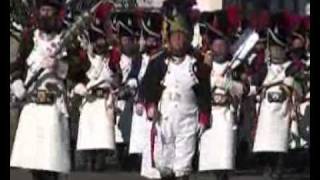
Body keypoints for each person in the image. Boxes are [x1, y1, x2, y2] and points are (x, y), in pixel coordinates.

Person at [140, 3, 211, 180]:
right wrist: (150, 105)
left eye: (182, 36)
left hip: (188, 118)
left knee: (183, 165)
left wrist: (203, 116)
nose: (179, 40)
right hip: (165, 118)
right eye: (175, 36)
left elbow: (204, 92)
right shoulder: (158, 62)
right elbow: (148, 86)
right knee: (165, 163)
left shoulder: (196, 63)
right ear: (168, 38)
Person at [10, 0, 80, 179]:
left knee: (51, 160)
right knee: (34, 162)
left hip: (54, 108)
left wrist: (59, 66)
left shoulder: (66, 39)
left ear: (56, 13)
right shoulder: (29, 38)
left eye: (49, 10)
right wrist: (17, 81)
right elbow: (17, 65)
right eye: (43, 10)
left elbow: (81, 68)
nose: (46, 14)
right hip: (33, 107)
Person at [251, 12, 304, 180]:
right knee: (266, 142)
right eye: (272, 48)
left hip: (283, 112)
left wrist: (293, 84)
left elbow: (302, 87)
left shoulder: (292, 67)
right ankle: (267, 167)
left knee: (280, 142)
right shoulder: (264, 68)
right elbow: (253, 86)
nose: (274, 51)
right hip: (266, 111)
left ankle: (280, 167)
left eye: (278, 48)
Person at [198, 11, 249, 180]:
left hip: (227, 113)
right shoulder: (203, 63)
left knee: (225, 155)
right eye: (216, 45)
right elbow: (197, 85)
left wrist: (228, 84)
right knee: (210, 155)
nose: (219, 48)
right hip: (210, 113)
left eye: (222, 44)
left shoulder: (236, 66)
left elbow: (245, 89)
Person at [73, 2, 122, 172]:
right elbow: (76, 76)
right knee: (88, 131)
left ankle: (100, 160)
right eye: (97, 40)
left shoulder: (112, 60)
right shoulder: (86, 58)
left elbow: (117, 79)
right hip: (89, 100)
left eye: (102, 40)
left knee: (103, 133)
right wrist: (78, 86)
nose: (100, 43)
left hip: (103, 101)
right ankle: (88, 160)